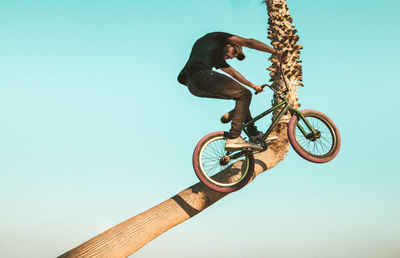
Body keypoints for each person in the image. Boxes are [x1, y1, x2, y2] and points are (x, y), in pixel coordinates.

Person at [178, 32, 286, 151]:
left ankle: (253, 133)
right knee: (245, 95)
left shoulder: (216, 56)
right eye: (234, 52)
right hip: (200, 75)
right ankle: (234, 137)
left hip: (193, 86)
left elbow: (233, 73)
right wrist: (276, 53)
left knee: (241, 98)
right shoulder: (216, 38)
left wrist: (253, 86)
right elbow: (249, 42)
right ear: (230, 44)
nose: (232, 57)